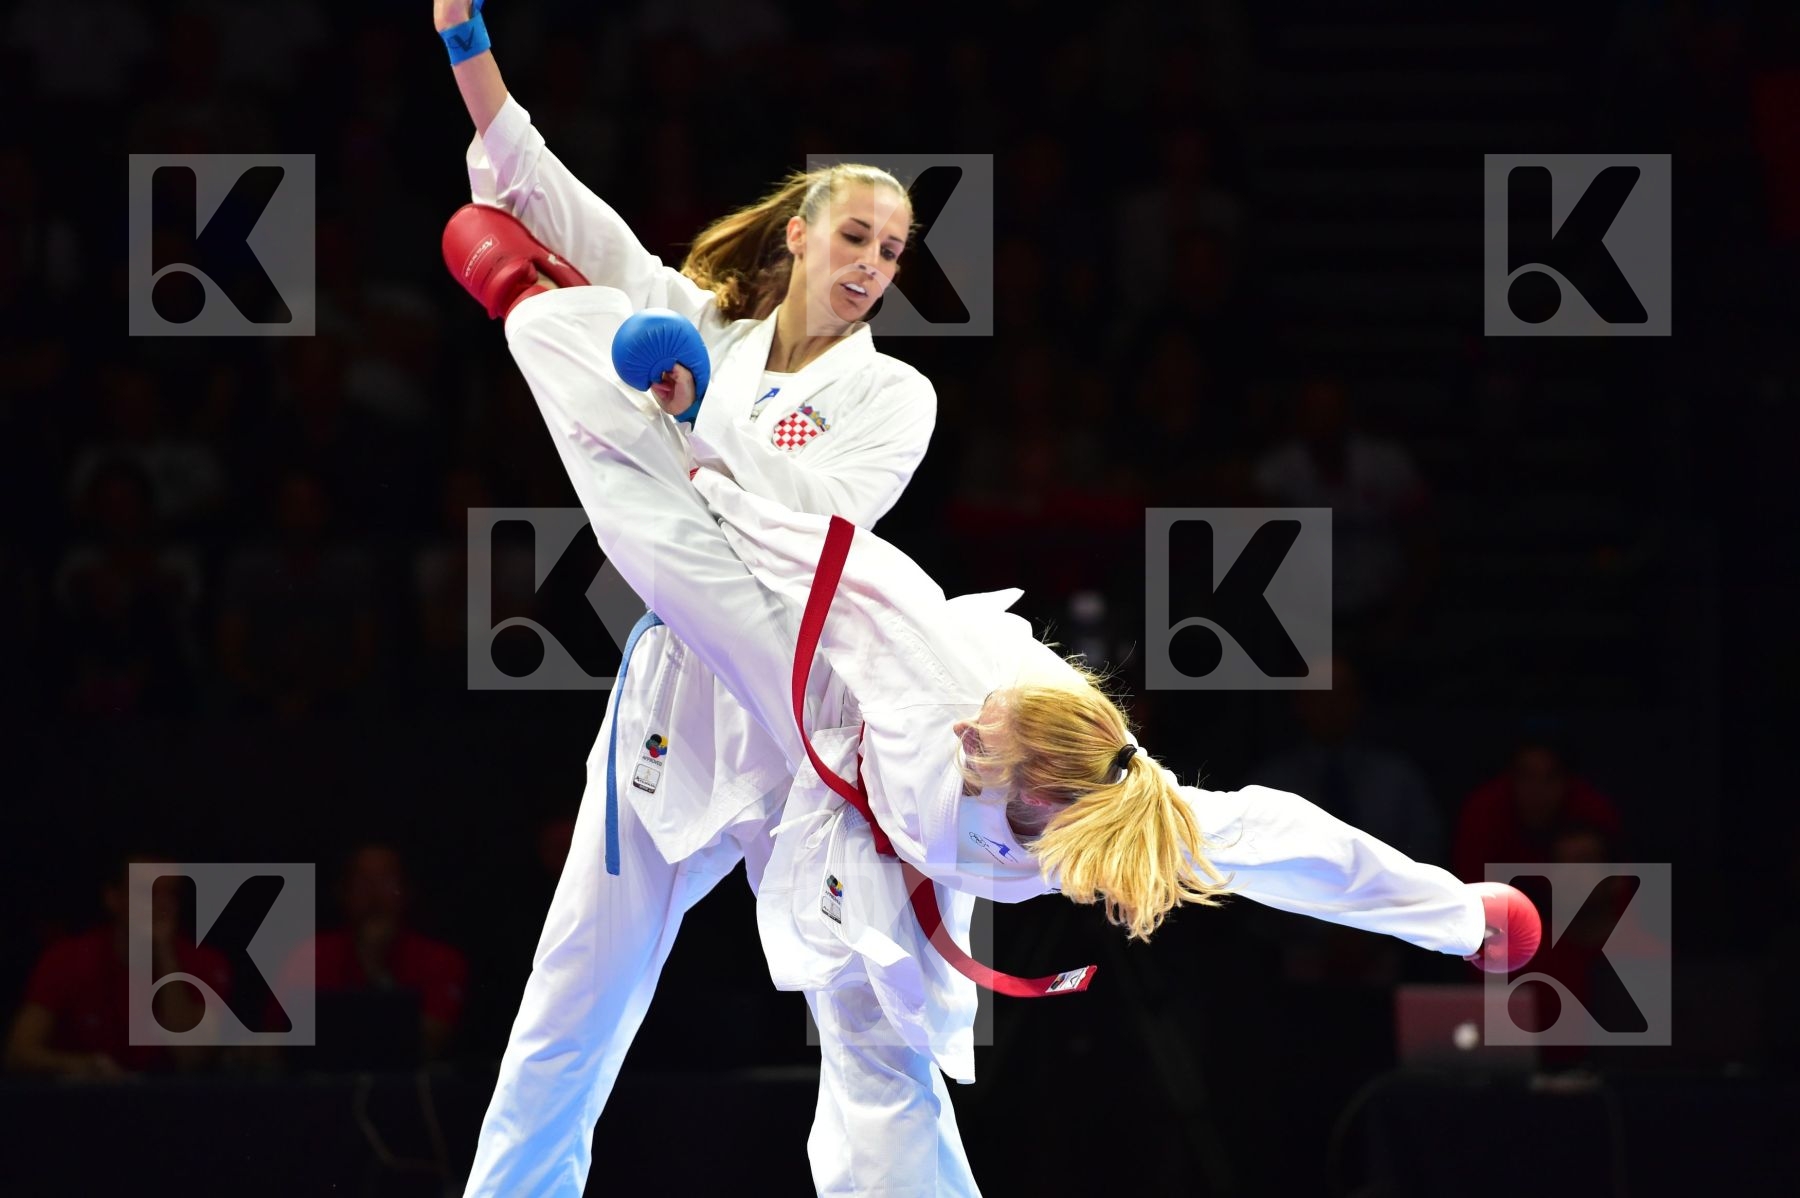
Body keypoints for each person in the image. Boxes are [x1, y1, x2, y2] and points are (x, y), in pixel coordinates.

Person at [463, 246, 1542, 1194]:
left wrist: (1458, 912)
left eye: (986, 745)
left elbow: (1286, 844)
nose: (973, 729)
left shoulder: (1114, 804)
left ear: (1036, 796)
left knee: (885, 1085)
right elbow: (701, 531)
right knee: (580, 998)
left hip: (848, 822)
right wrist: (555, 321)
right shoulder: (921, 663)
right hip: (723, 682)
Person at [430, 5, 939, 1195]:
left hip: (797, 691)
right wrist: (465, 40)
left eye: (894, 252)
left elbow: (823, 520)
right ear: (801, 238)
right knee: (574, 991)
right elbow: (554, 200)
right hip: (669, 692)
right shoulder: (698, 322)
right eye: (856, 237)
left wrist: (693, 412)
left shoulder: (897, 396)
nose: (872, 265)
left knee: (869, 1004)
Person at [4, 856, 230, 1078]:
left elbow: (191, 1058)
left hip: (174, 1107)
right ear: (113, 898)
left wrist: (164, 951)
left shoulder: (205, 963)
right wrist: (77, 1065)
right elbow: (18, 1052)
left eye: (171, 893)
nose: (162, 904)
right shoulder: (67, 958)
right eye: (146, 892)